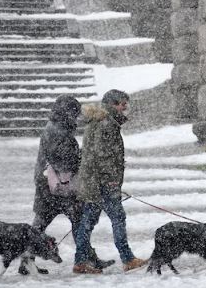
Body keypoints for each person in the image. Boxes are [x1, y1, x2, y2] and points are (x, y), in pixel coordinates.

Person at [19, 95, 113, 276]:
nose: (77, 117)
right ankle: (87, 259)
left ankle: (26, 261)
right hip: (62, 188)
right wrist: (84, 156)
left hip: (45, 184)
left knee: (38, 227)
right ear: (67, 113)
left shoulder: (53, 127)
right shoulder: (60, 132)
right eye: (74, 113)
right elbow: (66, 162)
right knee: (78, 224)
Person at [72, 89, 147, 274]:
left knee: (88, 221)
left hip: (94, 181)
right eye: (123, 104)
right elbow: (102, 156)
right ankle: (127, 258)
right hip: (104, 182)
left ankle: (81, 261)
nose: (125, 107)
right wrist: (112, 180)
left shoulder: (101, 121)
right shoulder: (106, 124)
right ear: (113, 104)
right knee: (117, 219)